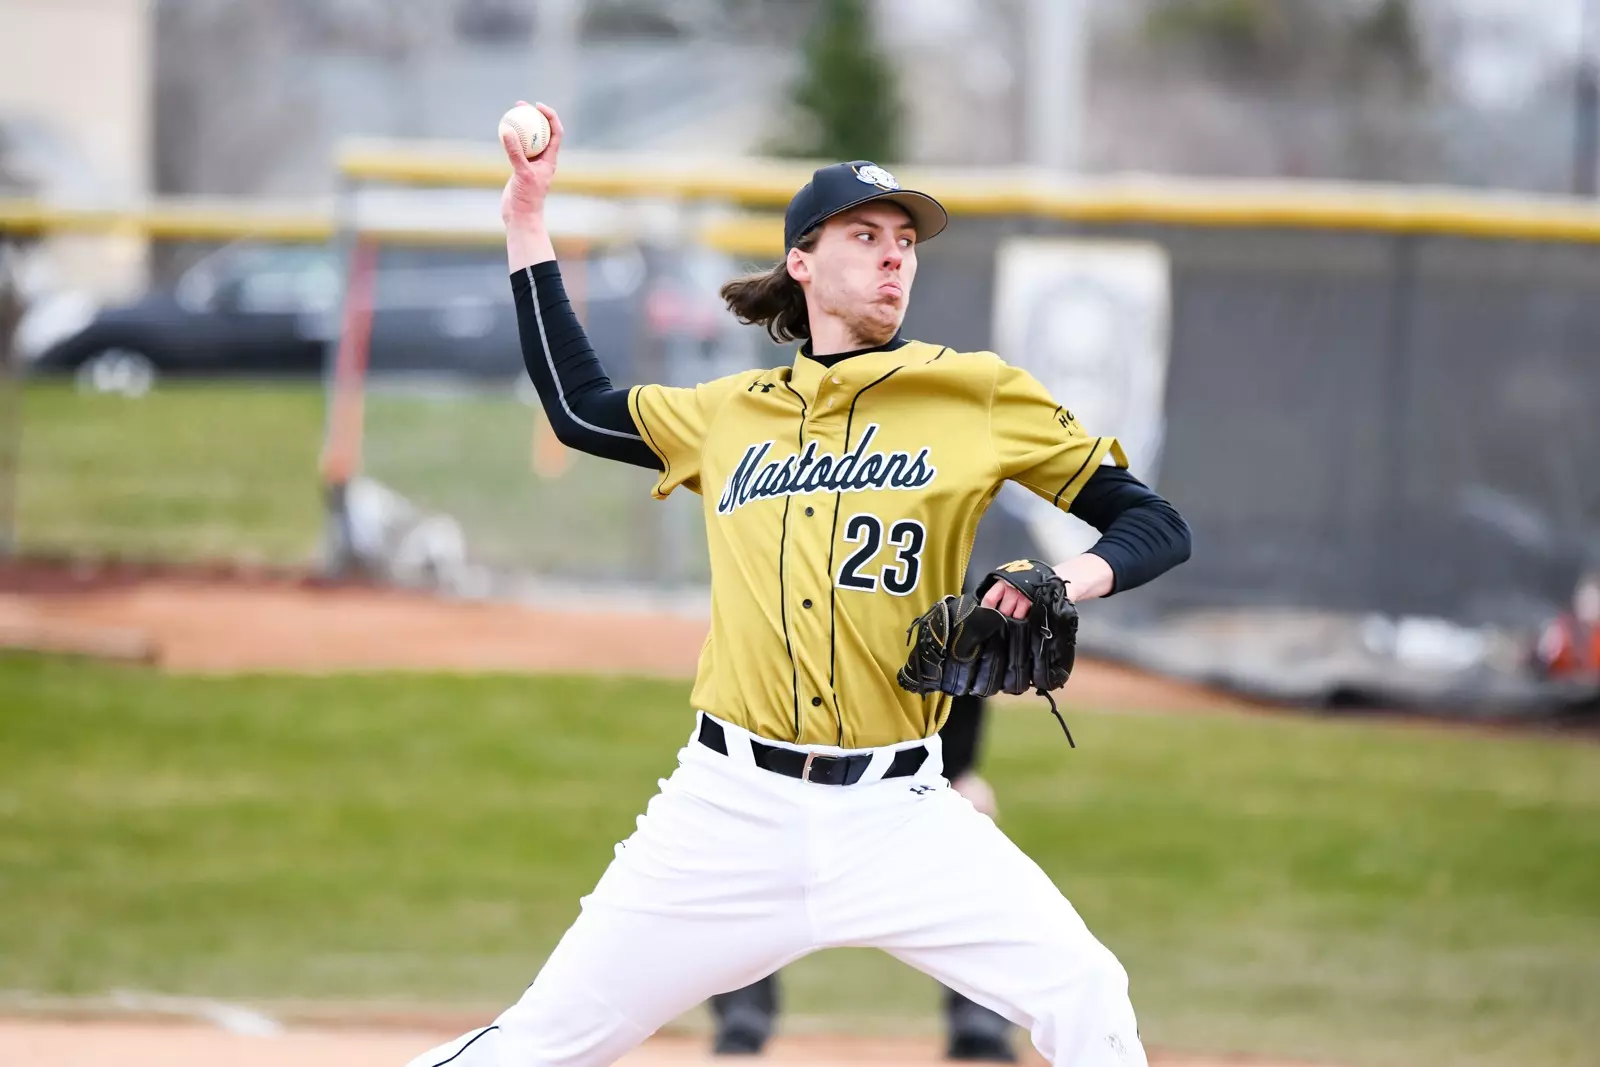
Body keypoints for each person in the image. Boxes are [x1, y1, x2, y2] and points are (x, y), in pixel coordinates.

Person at [404, 102, 1192, 1067]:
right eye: (866, 236)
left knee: (1087, 993)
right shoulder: (727, 414)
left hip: (900, 811)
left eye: (906, 240)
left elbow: (1154, 521)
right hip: (725, 812)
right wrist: (528, 217)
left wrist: (1062, 578)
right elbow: (577, 408)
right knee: (540, 1042)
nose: (895, 256)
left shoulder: (976, 394)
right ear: (803, 264)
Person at [709, 696, 1019, 1062]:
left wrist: (959, 771)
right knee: (739, 825)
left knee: (974, 817)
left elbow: (963, 699)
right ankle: (742, 1019)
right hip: (793, 782)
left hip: (921, 783)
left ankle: (979, 1025)